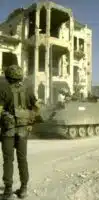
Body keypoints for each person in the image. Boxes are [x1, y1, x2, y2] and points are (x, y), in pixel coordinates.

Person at [0, 65, 41, 200]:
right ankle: (23, 189)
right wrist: (30, 123)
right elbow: (36, 108)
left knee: (8, 160)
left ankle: (8, 191)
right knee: (22, 159)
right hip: (23, 131)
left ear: (8, 76)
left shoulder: (3, 89)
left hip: (8, 131)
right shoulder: (28, 90)